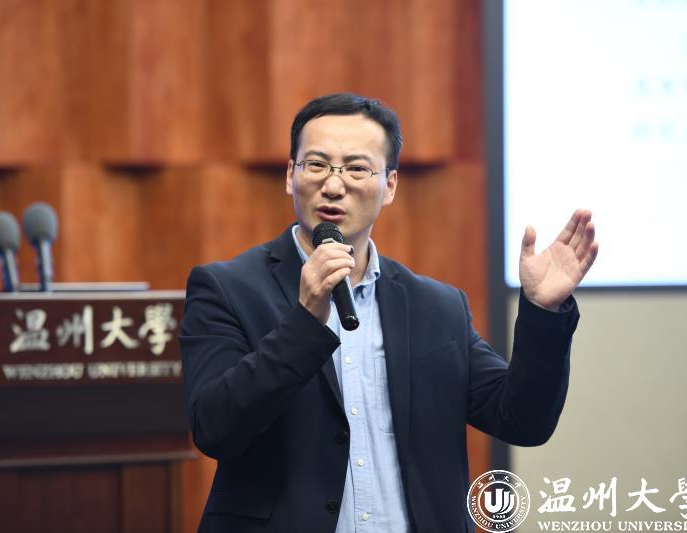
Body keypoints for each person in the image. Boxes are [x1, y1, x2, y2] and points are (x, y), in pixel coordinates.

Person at [179, 93, 598, 533]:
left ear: (390, 185)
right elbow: (215, 428)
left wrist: (543, 313)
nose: (334, 185)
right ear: (290, 175)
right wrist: (305, 321)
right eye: (316, 165)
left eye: (357, 169)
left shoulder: (436, 307)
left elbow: (523, 420)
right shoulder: (227, 288)